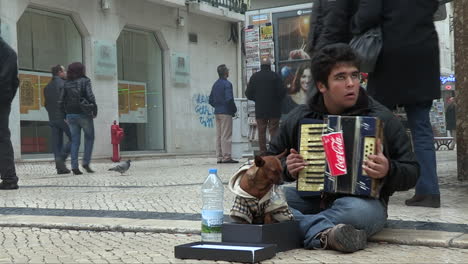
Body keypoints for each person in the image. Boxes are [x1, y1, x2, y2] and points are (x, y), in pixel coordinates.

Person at [268, 43, 419, 253]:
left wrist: (388, 170)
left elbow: (412, 170)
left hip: (361, 204)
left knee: (357, 212)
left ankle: (294, 226)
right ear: (322, 85)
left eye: (355, 75)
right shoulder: (301, 116)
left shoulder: (381, 117)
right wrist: (286, 167)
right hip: (310, 199)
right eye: (340, 77)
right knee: (265, 198)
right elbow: (268, 159)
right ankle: (324, 233)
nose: (351, 84)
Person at [352, 0, 441, 208]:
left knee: (373, 124)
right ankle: (428, 191)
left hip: (391, 56)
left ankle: (371, 185)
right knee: (421, 128)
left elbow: (367, 15)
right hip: (423, 56)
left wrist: (354, 24)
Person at [59, 62, 97, 175]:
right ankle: (86, 162)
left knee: (74, 141)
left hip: (70, 115)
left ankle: (74, 166)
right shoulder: (85, 81)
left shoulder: (66, 83)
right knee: (89, 138)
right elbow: (90, 96)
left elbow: (60, 101)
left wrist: (64, 115)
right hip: (84, 113)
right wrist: (94, 109)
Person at [245, 57, 286, 155]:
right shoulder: (275, 76)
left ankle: (263, 152)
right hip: (274, 109)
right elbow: (282, 92)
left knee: (261, 131)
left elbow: (248, 93)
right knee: (274, 131)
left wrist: (257, 99)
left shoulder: (255, 77)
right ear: (270, 65)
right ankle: (274, 151)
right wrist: (277, 100)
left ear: (261, 66)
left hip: (260, 109)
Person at [44, 65, 72, 174]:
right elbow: (66, 102)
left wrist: (52, 114)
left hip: (53, 119)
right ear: (59, 72)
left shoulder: (47, 87)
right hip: (63, 118)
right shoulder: (64, 84)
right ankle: (61, 160)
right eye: (64, 71)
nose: (65, 73)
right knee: (74, 138)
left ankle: (60, 168)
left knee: (57, 143)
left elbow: (46, 104)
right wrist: (66, 116)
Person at [0, 36, 20, 190]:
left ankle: (9, 178)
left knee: (2, 139)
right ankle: (9, 178)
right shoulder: (9, 53)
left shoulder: (7, 53)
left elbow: (10, 82)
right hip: (3, 102)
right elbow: (15, 83)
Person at [209, 64, 238, 164]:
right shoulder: (227, 84)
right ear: (226, 73)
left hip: (217, 112)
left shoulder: (215, 84)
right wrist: (233, 110)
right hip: (226, 112)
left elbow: (210, 100)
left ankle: (219, 157)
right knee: (226, 135)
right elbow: (229, 99)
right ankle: (227, 157)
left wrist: (217, 106)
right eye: (228, 70)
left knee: (219, 135)